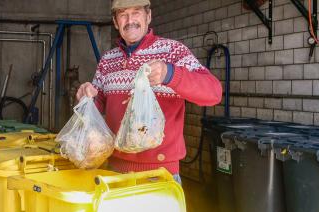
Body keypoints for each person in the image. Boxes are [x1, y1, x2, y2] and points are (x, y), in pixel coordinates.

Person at [76, 0, 222, 182]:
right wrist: (86, 98)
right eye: (123, 14)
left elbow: (213, 93)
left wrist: (170, 74)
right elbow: (98, 107)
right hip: (113, 171)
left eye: (136, 12)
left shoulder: (172, 51)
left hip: (159, 174)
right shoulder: (108, 60)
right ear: (115, 22)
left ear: (148, 16)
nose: (130, 20)